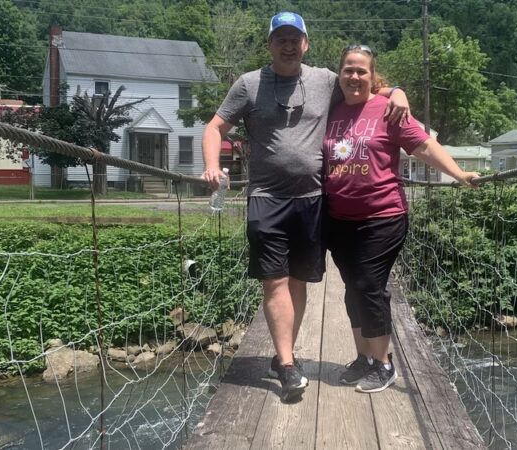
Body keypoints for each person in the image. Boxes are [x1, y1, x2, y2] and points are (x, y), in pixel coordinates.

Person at [201, 13, 411, 403]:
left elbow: (360, 85)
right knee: (274, 280)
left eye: (294, 38)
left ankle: (287, 356)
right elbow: (215, 127)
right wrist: (213, 165)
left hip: (313, 200)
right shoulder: (248, 84)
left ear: (306, 44)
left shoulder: (323, 80)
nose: (287, 44)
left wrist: (396, 91)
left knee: (298, 282)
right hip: (266, 196)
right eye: (280, 38)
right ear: (269, 44)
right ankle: (286, 364)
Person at [323, 44, 480, 393]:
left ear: (372, 75)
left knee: (368, 286)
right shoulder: (331, 109)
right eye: (348, 69)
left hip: (383, 216)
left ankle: (384, 363)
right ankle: (364, 358)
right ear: (340, 74)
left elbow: (423, 146)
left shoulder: (388, 109)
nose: (354, 76)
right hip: (338, 220)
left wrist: (458, 174)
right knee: (353, 290)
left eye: (362, 70)